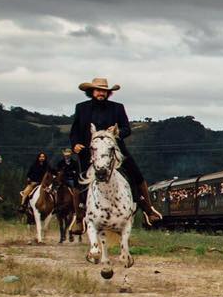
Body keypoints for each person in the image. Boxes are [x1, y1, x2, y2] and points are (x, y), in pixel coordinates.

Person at [69, 77, 162, 225]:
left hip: (115, 150)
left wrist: (118, 132)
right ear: (91, 91)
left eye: (104, 91)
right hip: (89, 152)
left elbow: (127, 129)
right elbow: (74, 131)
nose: (101, 93)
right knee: (78, 182)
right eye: (98, 90)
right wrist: (75, 144)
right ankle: (79, 217)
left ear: (108, 93)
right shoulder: (81, 108)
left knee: (136, 174)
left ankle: (148, 208)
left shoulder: (117, 107)